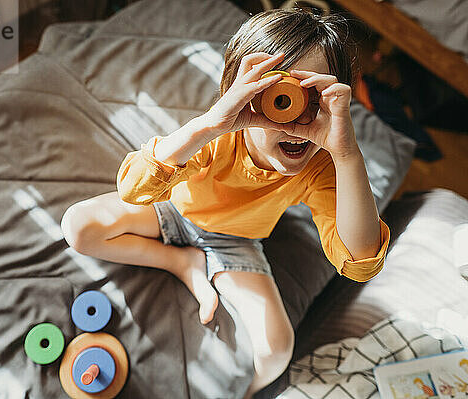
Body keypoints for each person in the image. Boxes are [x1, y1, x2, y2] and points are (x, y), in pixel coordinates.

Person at [62, 8, 390, 397]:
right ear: (243, 94)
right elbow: (134, 189)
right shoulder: (218, 135)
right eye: (279, 97)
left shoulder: (320, 164)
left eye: (313, 97)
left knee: (276, 350)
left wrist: (347, 154)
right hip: (174, 208)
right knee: (77, 226)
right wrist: (214, 121)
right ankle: (179, 261)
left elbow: (360, 262)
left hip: (235, 240)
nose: (295, 120)